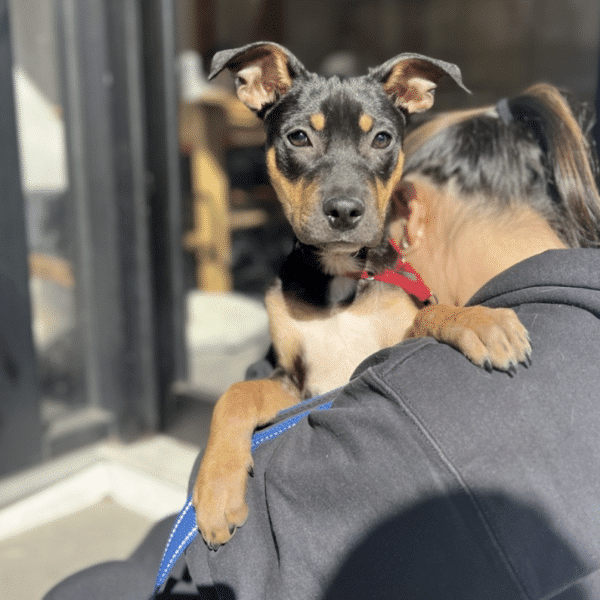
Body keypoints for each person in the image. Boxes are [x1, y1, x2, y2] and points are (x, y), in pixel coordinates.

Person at [45, 82, 600, 599]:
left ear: (413, 214)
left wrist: (446, 318)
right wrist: (236, 412)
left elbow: (228, 559)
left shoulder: (425, 394)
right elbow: (289, 384)